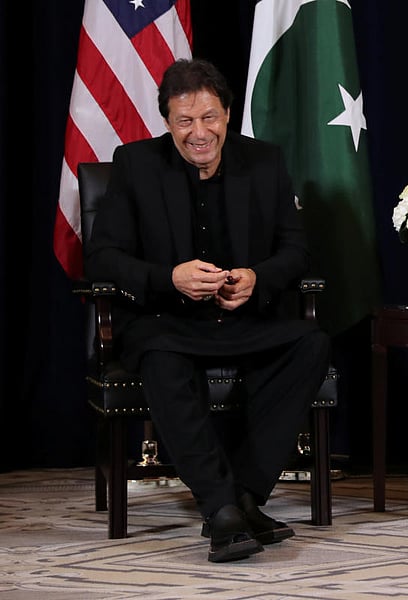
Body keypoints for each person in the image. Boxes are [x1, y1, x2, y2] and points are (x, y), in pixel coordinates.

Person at [85, 58, 331, 562]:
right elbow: (102, 256)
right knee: (161, 357)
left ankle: (244, 496)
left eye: (210, 118)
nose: (200, 133)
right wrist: (168, 277)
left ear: (227, 113)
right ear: (167, 122)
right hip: (165, 321)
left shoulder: (265, 161)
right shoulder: (135, 164)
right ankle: (221, 510)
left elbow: (295, 250)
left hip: (245, 318)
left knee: (311, 343)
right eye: (185, 121)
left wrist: (258, 278)